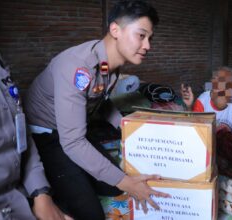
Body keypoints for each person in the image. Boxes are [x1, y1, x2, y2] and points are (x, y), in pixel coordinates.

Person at [24, 1, 169, 219]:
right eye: (141, 35)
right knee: (92, 212)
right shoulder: (78, 67)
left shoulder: (110, 65)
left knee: (113, 187)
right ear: (115, 30)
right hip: (45, 135)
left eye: (150, 38)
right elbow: (72, 142)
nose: (148, 45)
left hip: (72, 130)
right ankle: (46, 196)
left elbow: (101, 99)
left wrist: (127, 127)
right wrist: (128, 183)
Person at [0, 52, 72, 220]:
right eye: (140, 36)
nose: (146, 46)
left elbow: (21, 132)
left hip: (20, 191)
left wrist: (41, 193)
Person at [181, 66, 232, 138]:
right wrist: (189, 106)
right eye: (215, 79)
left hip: (230, 145)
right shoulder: (203, 100)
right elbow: (193, 127)